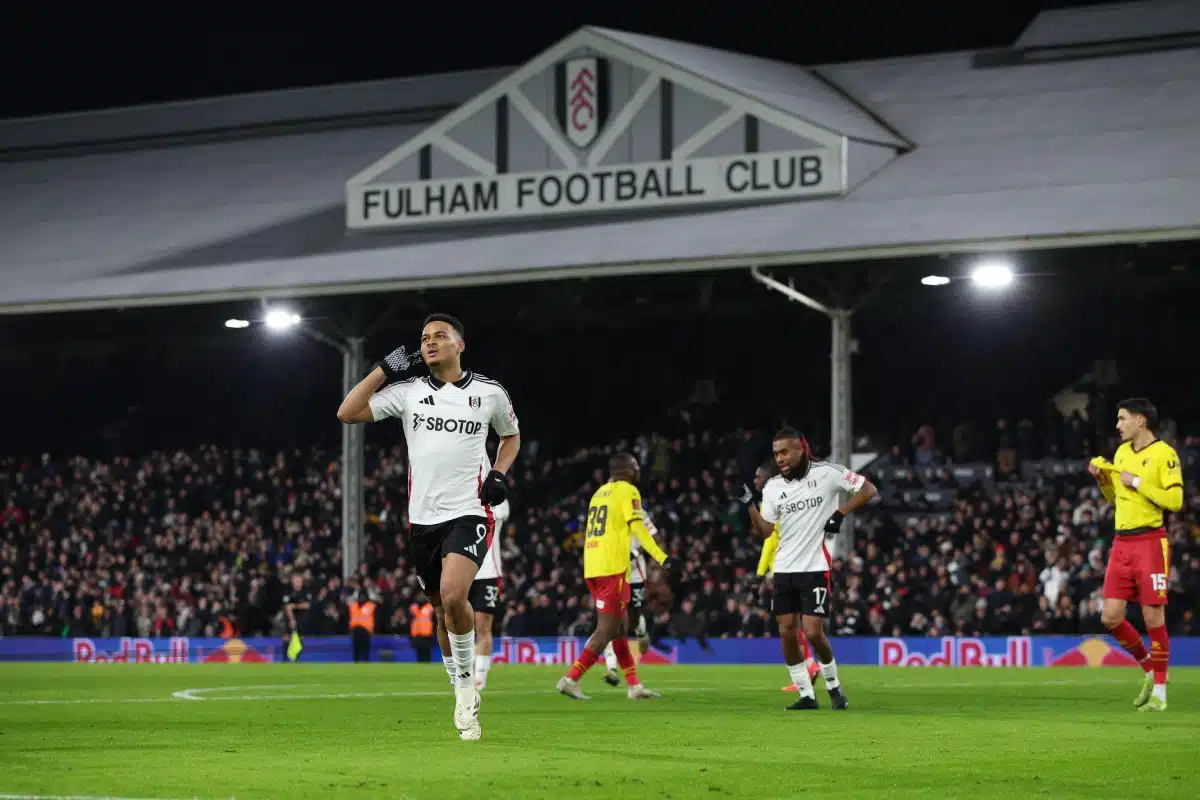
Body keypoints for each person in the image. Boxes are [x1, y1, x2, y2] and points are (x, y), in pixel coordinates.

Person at [337, 312, 520, 741]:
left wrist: (499, 473)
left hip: (470, 511)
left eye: (440, 336)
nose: (430, 343)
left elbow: (510, 435)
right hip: (422, 520)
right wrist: (384, 368)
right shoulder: (408, 393)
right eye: (424, 339)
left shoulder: (489, 393)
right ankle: (460, 686)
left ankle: (466, 688)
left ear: (461, 344)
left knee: (456, 596)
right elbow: (347, 412)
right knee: (441, 610)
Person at [738, 429, 877, 711]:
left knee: (813, 633)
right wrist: (750, 504)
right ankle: (805, 694)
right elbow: (766, 532)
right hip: (785, 570)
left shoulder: (828, 473)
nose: (780, 459)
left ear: (801, 450)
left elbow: (868, 489)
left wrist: (841, 513)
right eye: (776, 454)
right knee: (787, 632)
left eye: (785, 452)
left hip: (814, 566)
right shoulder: (773, 487)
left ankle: (834, 686)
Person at [1087, 397, 1183, 712]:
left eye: (1122, 418)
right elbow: (1118, 499)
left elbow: (1175, 500)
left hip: (1150, 542)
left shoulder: (1164, 454)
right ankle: (1148, 668)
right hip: (1122, 543)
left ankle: (1160, 692)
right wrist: (1104, 483)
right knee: (1110, 617)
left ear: (1140, 420)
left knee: (1153, 618)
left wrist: (1138, 481)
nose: (1118, 425)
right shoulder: (1122, 453)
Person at [557, 453, 677, 700]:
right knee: (606, 630)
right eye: (635, 467)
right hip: (613, 568)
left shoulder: (599, 494)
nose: (638, 470)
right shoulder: (628, 491)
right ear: (628, 470)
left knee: (620, 628)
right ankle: (571, 679)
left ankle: (634, 685)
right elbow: (638, 529)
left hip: (593, 566)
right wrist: (662, 557)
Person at [753, 462, 821, 692]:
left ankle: (808, 667)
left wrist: (762, 572)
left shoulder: (771, 498)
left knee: (788, 625)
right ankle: (808, 667)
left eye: (758, 476)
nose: (755, 480)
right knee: (793, 624)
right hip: (794, 566)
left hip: (783, 569)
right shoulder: (785, 495)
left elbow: (770, 540)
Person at [602, 508, 660, 687]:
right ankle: (611, 668)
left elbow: (652, 537)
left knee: (632, 619)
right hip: (613, 571)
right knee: (611, 621)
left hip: (635, 572)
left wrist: (634, 553)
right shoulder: (607, 511)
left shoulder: (638, 511)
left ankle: (640, 630)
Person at [468, 455, 510, 691]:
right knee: (459, 625)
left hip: (487, 572)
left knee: (483, 627)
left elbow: (501, 507)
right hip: (463, 572)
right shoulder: (464, 502)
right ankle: (463, 673)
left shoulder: (498, 505)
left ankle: (479, 679)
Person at [348, 589, 376, 663]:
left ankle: (365, 668)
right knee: (356, 652)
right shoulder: (353, 606)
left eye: (363, 596)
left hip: (365, 631)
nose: (362, 597)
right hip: (356, 630)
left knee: (365, 653)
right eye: (360, 596)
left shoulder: (371, 605)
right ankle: (356, 666)